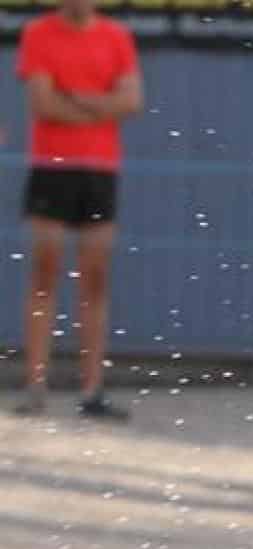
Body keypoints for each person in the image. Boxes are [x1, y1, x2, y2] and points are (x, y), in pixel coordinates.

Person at [14, 0, 141, 420]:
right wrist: (101, 104)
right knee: (45, 273)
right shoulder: (38, 34)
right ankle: (35, 384)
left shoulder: (116, 37)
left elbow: (132, 101)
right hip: (52, 167)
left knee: (95, 280)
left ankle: (92, 389)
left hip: (99, 170)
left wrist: (74, 98)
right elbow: (43, 104)